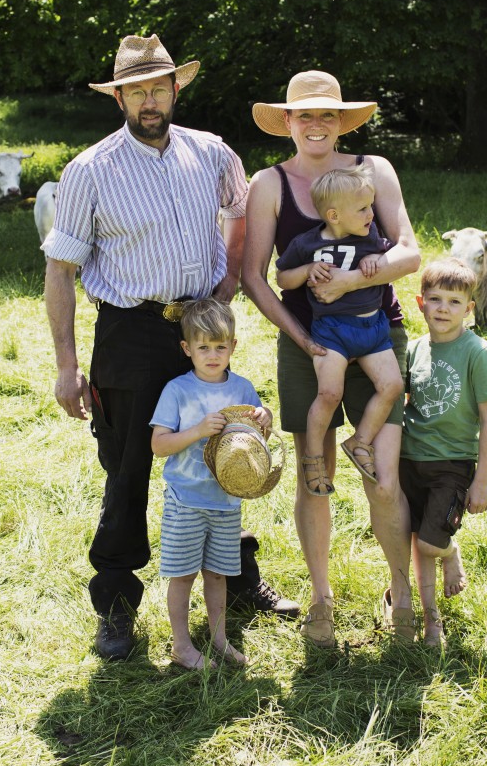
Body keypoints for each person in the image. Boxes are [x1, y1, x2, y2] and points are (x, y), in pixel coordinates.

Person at [42, 34, 298, 662]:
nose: (149, 100)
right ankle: (117, 607)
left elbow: (239, 218)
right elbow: (59, 274)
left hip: (202, 327)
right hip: (129, 333)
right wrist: (68, 369)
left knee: (225, 451)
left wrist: (229, 283)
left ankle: (236, 583)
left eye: (159, 87)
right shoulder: (90, 171)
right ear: (120, 97)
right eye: (136, 90)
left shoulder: (211, 153)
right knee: (127, 469)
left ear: (176, 88)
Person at [241, 70, 421, 647]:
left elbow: (410, 253)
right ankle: (322, 601)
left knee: (385, 477)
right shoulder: (269, 184)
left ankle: (401, 595)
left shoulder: (375, 170)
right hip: (309, 343)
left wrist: (349, 281)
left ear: (342, 121)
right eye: (304, 115)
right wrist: (301, 338)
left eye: (327, 115)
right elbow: (256, 277)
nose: (316, 125)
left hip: (374, 335)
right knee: (313, 478)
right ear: (288, 122)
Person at [150, 299, 270, 669]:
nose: (213, 355)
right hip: (186, 499)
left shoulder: (243, 388)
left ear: (233, 346)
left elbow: (256, 437)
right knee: (183, 574)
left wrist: (264, 416)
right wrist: (198, 431)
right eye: (203, 347)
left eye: (221, 347)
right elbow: (158, 445)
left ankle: (219, 639)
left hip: (226, 501)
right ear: (187, 349)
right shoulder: (177, 390)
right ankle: (182, 646)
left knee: (218, 573)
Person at [274, 162, 405, 497]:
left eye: (370, 207)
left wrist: (374, 264)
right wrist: (307, 270)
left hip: (373, 329)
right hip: (331, 333)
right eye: (362, 209)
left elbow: (394, 259)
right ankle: (314, 457)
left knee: (392, 385)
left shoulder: (371, 238)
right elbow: (282, 279)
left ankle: (360, 442)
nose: (370, 215)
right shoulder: (308, 244)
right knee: (329, 394)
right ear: (333, 215)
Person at [401, 258, 487, 646]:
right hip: (409, 461)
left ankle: (451, 550)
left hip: (453, 465)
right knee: (417, 542)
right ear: (420, 303)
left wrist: (482, 482)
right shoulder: (413, 350)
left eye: (454, 302)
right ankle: (430, 621)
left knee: (432, 542)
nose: (443, 308)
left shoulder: (477, 352)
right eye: (435, 299)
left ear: (470, 309)